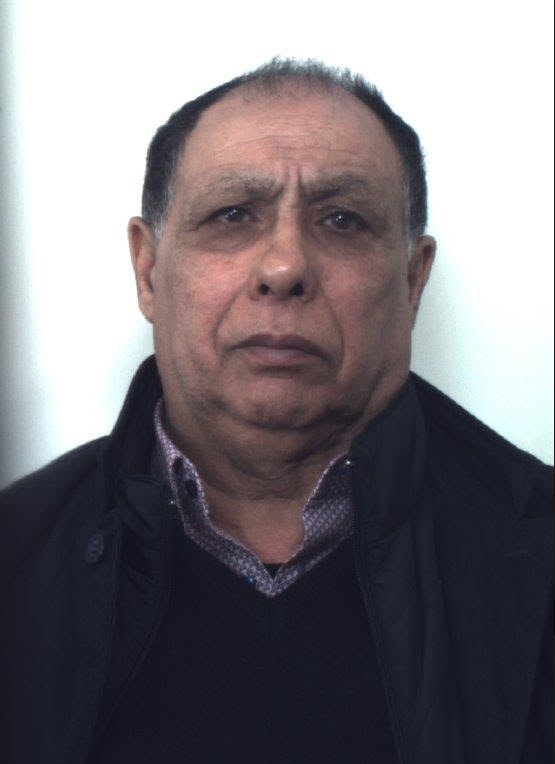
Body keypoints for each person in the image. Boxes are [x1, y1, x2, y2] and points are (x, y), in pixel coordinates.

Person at [0, 59, 552, 764]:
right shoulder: (16, 550)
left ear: (413, 281)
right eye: (232, 215)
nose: (285, 265)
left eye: (342, 220)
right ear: (148, 270)